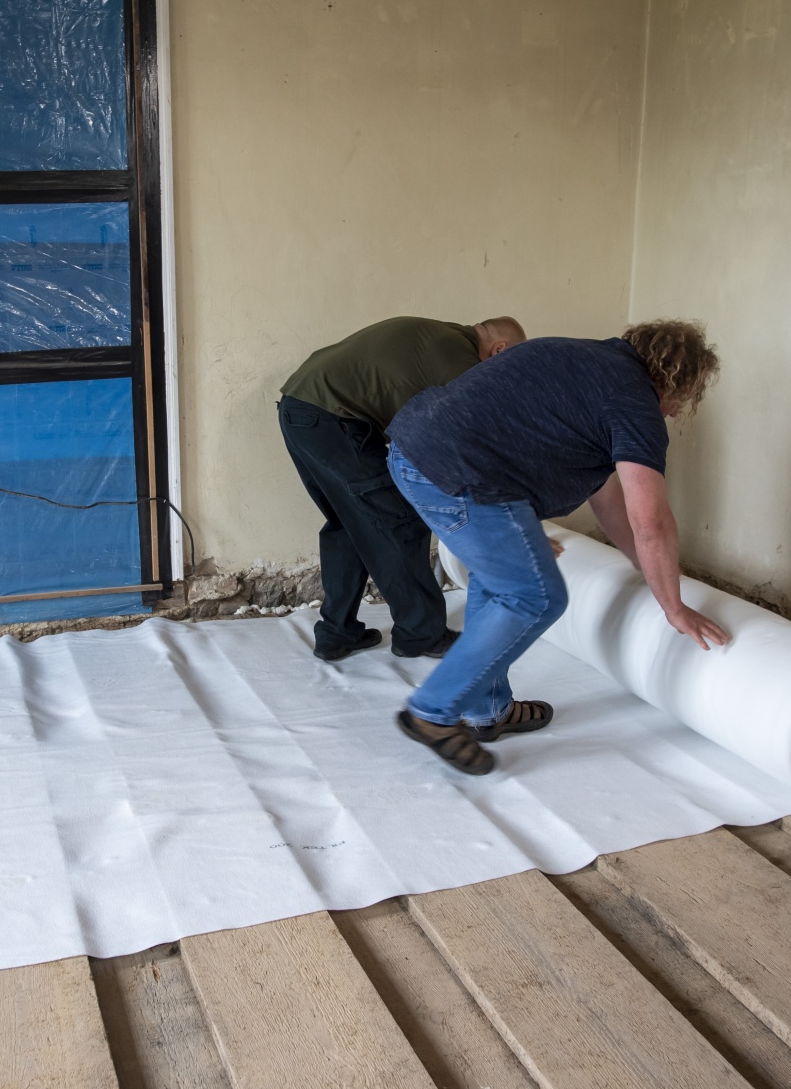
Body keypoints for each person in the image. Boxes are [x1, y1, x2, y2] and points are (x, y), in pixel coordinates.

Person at [383, 319, 728, 774]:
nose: (675, 413)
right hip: (458, 472)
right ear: (675, 381)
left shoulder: (582, 359)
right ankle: (432, 711)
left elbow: (610, 501)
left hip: (413, 450)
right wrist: (674, 607)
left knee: (499, 582)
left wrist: (649, 573)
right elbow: (651, 522)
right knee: (536, 594)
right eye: (681, 402)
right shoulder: (635, 402)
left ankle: (487, 711)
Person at [278, 315, 527, 662]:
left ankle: (337, 633)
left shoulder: (440, 336)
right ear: (498, 350)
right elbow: (476, 438)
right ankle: (421, 634)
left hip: (300, 410)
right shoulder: (459, 358)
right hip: (332, 418)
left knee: (349, 525)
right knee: (400, 521)